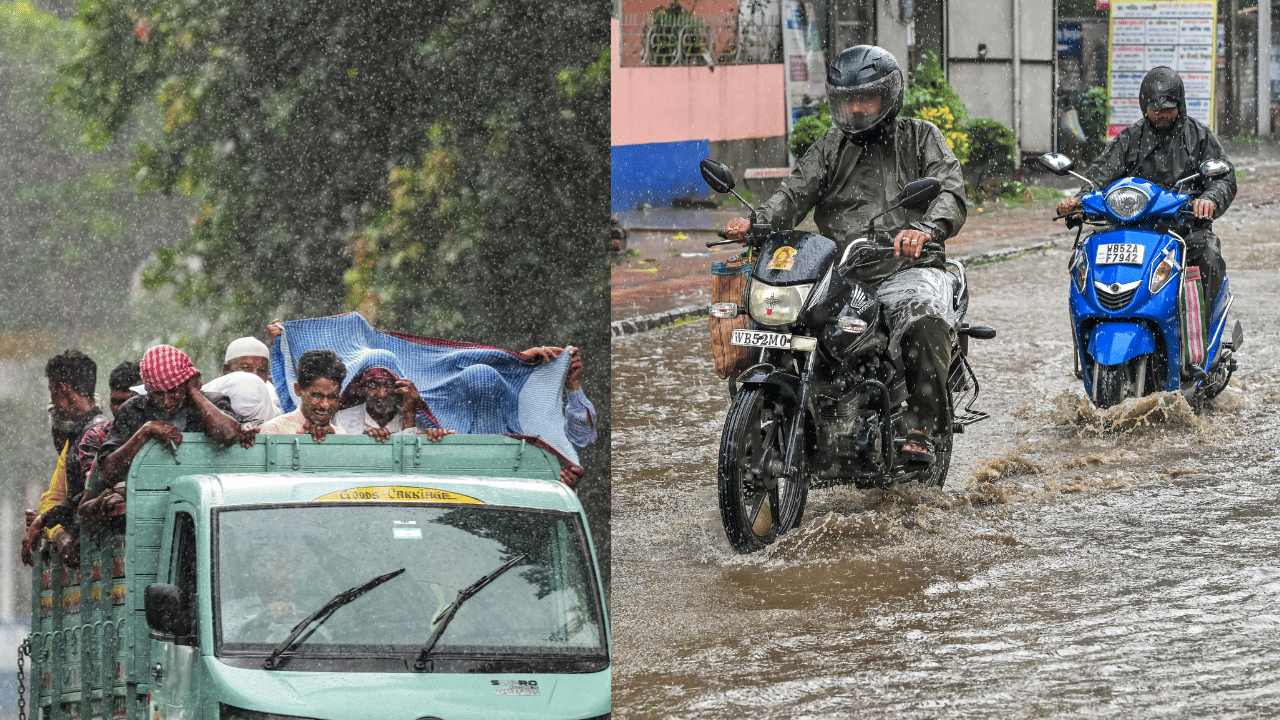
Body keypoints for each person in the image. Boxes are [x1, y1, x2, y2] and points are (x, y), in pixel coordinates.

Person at [722, 45, 967, 466]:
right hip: (842, 269)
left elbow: (949, 190)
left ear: (889, 97)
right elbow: (793, 193)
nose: (855, 108)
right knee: (786, 323)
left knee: (923, 319)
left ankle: (923, 426)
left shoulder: (921, 137)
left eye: (865, 98)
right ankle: (796, 419)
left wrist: (923, 231)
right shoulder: (830, 148)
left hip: (906, 267)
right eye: (847, 99)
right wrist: (757, 222)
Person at [1056, 66, 1235, 316]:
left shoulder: (1200, 136)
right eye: (1155, 108)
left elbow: (1224, 178)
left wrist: (1208, 199)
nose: (1161, 114)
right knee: (1086, 258)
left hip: (1184, 229)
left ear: (1180, 104)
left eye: (1168, 107)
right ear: (1144, 106)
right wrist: (1080, 201)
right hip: (1131, 229)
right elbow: (1100, 175)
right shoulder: (1129, 139)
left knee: (1209, 259)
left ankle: (1199, 338)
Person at [98, 345, 240, 488]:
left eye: (173, 391)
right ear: (146, 388)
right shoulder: (131, 410)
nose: (166, 401)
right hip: (148, 496)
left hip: (203, 493)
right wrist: (146, 432)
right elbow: (106, 474)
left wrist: (193, 391)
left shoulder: (212, 404)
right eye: (158, 393)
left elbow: (229, 435)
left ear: (185, 383)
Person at [22, 351, 109, 566]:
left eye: (52, 391)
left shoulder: (95, 434)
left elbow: (86, 496)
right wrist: (51, 527)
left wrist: (44, 521)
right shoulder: (79, 437)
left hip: (96, 552)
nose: (52, 399)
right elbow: (66, 499)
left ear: (63, 389)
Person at [333, 363, 452, 442]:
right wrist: (366, 443)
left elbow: (410, 460)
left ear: (400, 389)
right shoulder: (343, 419)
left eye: (389, 385)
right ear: (363, 389)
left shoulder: (418, 421)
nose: (382, 394)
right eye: (373, 386)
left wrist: (409, 413)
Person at [251, 350, 348, 443]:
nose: (325, 405)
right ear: (298, 389)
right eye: (317, 396)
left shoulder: (341, 436)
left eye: (332, 396)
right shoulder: (274, 430)